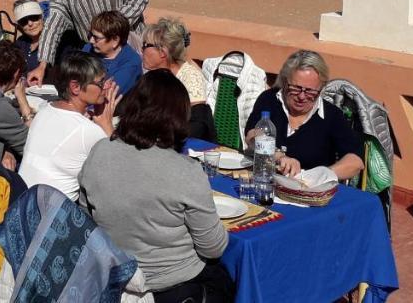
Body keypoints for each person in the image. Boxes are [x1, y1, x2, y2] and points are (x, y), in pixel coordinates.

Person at [78, 70, 233, 301]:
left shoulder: (100, 151)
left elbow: (84, 216)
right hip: (173, 285)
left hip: (114, 276)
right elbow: (213, 248)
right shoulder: (185, 171)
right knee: (226, 281)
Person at [244, 49, 364, 181]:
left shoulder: (332, 116)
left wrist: (319, 176)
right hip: (266, 180)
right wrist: (279, 156)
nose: (301, 96)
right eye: (295, 88)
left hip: (309, 192)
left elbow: (355, 161)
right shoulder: (270, 99)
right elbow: (252, 135)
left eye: (310, 91)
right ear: (284, 82)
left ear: (321, 87)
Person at [18, 53, 117, 201]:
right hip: (53, 214)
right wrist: (107, 127)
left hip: (21, 200)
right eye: (101, 83)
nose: (107, 86)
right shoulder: (89, 131)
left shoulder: (45, 110)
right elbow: (118, 170)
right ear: (75, 87)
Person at [141, 17, 214, 140]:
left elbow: (196, 127)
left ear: (162, 52)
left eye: (145, 45)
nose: (141, 49)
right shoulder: (151, 75)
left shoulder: (191, 78)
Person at [82, 11, 142, 97]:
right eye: (91, 35)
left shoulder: (130, 64)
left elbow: (106, 96)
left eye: (96, 37)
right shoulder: (88, 49)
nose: (91, 40)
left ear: (115, 40)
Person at [11, 0, 44, 73]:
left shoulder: (52, 44)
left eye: (34, 17)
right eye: (23, 21)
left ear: (42, 16)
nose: (30, 23)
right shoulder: (21, 43)